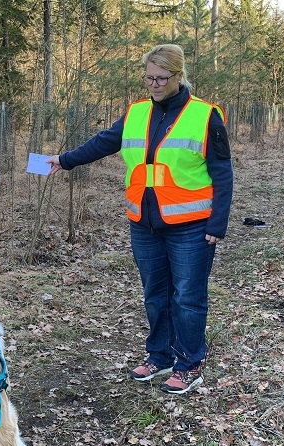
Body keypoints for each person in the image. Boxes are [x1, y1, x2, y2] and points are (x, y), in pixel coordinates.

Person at [46, 44, 233, 395]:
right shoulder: (136, 112)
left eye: (162, 78)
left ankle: (190, 363)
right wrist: (64, 160)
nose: (154, 84)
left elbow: (223, 172)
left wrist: (217, 224)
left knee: (188, 297)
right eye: (149, 77)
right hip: (145, 225)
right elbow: (104, 142)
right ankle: (159, 355)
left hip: (192, 226)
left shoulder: (206, 116)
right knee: (154, 294)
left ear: (178, 76)